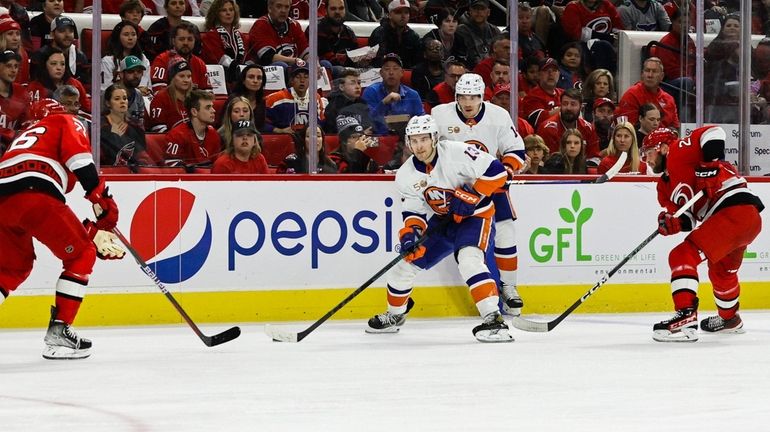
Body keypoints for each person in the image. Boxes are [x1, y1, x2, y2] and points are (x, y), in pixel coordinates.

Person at [365, 114, 513, 343]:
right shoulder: (405, 175)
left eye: (423, 139)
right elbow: (414, 213)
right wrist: (410, 237)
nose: (419, 146)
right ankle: (395, 316)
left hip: (476, 217)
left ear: (434, 138)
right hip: (443, 221)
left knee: (469, 260)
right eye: (413, 141)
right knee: (403, 267)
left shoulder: (457, 152)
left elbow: (499, 173)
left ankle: (494, 320)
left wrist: (473, 195)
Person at [0, 98, 124, 359]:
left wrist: (89, 229)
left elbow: (45, 209)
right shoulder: (63, 121)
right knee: (82, 255)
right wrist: (100, 196)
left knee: (12, 268)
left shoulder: (23, 137)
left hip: (5, 198)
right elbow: (78, 160)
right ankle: (60, 332)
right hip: (35, 191)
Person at [642, 126, 764, 342]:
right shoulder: (663, 188)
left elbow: (714, 133)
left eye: (648, 153)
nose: (646, 160)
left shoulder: (678, 151)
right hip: (741, 220)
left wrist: (709, 165)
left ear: (662, 148)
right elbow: (688, 219)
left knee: (681, 255)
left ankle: (686, 315)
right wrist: (673, 224)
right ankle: (730, 319)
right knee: (721, 272)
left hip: (733, 208)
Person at [431, 73, 527, 315]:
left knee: (506, 232)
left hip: (489, 184)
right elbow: (427, 150)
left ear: (482, 96)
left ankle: (509, 287)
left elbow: (515, 150)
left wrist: (507, 170)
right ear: (456, 97)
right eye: (462, 96)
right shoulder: (440, 115)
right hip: (455, 190)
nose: (468, 102)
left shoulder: (498, 116)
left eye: (473, 97)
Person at [361, 53, 424, 135]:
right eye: (387, 69)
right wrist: (383, 103)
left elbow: (422, 121)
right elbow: (366, 122)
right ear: (381, 73)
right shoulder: (371, 92)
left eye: (395, 68)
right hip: (381, 139)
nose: (391, 72)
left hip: (407, 139)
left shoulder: (413, 95)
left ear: (402, 72)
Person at [163, 89, 222, 167]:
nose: (213, 110)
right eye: (208, 108)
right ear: (194, 112)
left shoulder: (213, 134)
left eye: (212, 107)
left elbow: (217, 163)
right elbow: (171, 165)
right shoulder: (177, 135)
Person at [101, 84, 155, 167]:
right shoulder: (99, 126)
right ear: (108, 103)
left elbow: (142, 156)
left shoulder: (136, 126)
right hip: (106, 172)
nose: (122, 101)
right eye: (117, 99)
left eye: (125, 98)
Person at [616, 57, 679, 129]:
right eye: (647, 70)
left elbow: (675, 129)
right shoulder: (631, 95)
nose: (650, 75)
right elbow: (628, 129)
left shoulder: (669, 99)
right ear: (642, 74)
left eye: (654, 71)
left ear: (662, 76)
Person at [264, 63, 328, 134]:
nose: (302, 80)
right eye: (298, 77)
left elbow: (321, 123)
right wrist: (280, 130)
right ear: (291, 80)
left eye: (306, 77)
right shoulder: (275, 99)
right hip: (284, 141)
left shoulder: (315, 98)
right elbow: (261, 123)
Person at [150, 21, 211, 92]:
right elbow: (158, 91)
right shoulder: (162, 59)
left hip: (194, 102)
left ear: (195, 41)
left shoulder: (200, 63)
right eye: (181, 39)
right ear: (173, 41)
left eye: (190, 39)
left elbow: (208, 93)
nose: (186, 43)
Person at [246, 0, 309, 67]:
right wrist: (296, 61)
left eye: (286, 7)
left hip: (294, 69)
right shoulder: (261, 25)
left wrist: (314, 63)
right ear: (270, 8)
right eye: (279, 6)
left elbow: (305, 52)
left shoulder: (294, 25)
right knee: (281, 65)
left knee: (319, 64)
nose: (283, 11)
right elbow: (268, 57)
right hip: (263, 69)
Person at [27, 46, 90, 112]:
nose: (59, 68)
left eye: (62, 64)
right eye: (54, 64)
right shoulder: (34, 87)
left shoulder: (75, 84)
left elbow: (87, 110)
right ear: (44, 66)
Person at [30, 15, 88, 85]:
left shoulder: (80, 57)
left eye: (71, 31)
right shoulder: (40, 56)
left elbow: (85, 85)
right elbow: (35, 84)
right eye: (62, 31)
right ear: (52, 34)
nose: (67, 35)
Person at [200, 0, 246, 83]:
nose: (228, 13)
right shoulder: (211, 35)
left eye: (231, 10)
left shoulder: (240, 36)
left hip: (242, 75)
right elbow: (217, 58)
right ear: (216, 14)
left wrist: (249, 67)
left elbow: (248, 56)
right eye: (223, 10)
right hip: (220, 77)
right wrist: (241, 68)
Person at [100, 20, 151, 93]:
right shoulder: (108, 61)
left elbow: (145, 86)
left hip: (140, 98)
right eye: (126, 34)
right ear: (118, 37)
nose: (130, 38)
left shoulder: (143, 58)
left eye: (133, 34)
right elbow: (104, 89)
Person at [368, 0, 421, 68]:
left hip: (406, 73)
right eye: (398, 12)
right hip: (383, 73)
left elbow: (418, 61)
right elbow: (377, 61)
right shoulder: (379, 33)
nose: (403, 16)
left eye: (406, 12)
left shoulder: (413, 36)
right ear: (389, 15)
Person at [147, 58, 193, 133]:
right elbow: (158, 130)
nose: (186, 80)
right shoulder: (160, 98)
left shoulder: (194, 97)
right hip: (169, 141)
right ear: (172, 78)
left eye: (189, 76)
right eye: (181, 76)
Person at [452, 0, 501, 70]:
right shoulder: (461, 30)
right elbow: (461, 57)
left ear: (488, 12)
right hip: (469, 71)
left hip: (492, 70)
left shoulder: (495, 30)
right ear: (470, 11)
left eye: (482, 9)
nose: (479, 12)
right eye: (475, 9)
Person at [323, 68, 372, 134]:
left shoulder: (363, 103)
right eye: (352, 83)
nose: (357, 87)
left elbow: (369, 126)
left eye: (359, 83)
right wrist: (360, 133)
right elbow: (333, 131)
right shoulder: (334, 106)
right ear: (341, 87)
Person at [0, 49, 27, 153]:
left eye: (16, 66)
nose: (13, 70)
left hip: (14, 146)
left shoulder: (21, 92)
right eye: (9, 66)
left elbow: (27, 122)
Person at [230, 64, 266, 131]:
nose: (255, 81)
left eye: (259, 78)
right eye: (251, 77)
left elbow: (261, 127)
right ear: (243, 80)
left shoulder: (262, 101)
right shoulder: (233, 99)